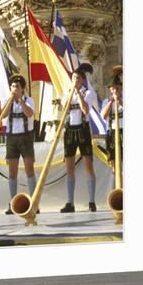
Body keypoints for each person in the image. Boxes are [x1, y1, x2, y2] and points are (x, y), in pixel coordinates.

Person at [60, 66, 97, 213]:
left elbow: (85, 110)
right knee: (69, 168)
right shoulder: (66, 93)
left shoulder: (88, 93)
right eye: (73, 78)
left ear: (82, 80)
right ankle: (70, 202)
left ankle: (92, 201)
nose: (75, 80)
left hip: (83, 128)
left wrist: (78, 93)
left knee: (88, 165)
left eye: (77, 78)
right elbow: (65, 108)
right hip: (70, 129)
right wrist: (71, 93)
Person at [2, 74, 37, 215]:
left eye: (17, 87)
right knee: (12, 172)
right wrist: (11, 101)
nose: (14, 89)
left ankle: (34, 201)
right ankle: (13, 202)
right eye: (12, 86)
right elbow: (3, 115)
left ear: (23, 89)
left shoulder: (29, 100)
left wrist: (20, 101)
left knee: (29, 169)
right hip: (11, 138)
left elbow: (29, 114)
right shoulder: (7, 100)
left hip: (26, 137)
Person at [101, 65, 123, 186]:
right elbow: (104, 115)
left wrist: (120, 101)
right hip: (112, 132)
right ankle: (117, 190)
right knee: (115, 164)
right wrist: (111, 102)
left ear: (121, 88)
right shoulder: (106, 101)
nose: (115, 91)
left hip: (123, 132)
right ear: (110, 90)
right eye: (113, 89)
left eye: (117, 88)